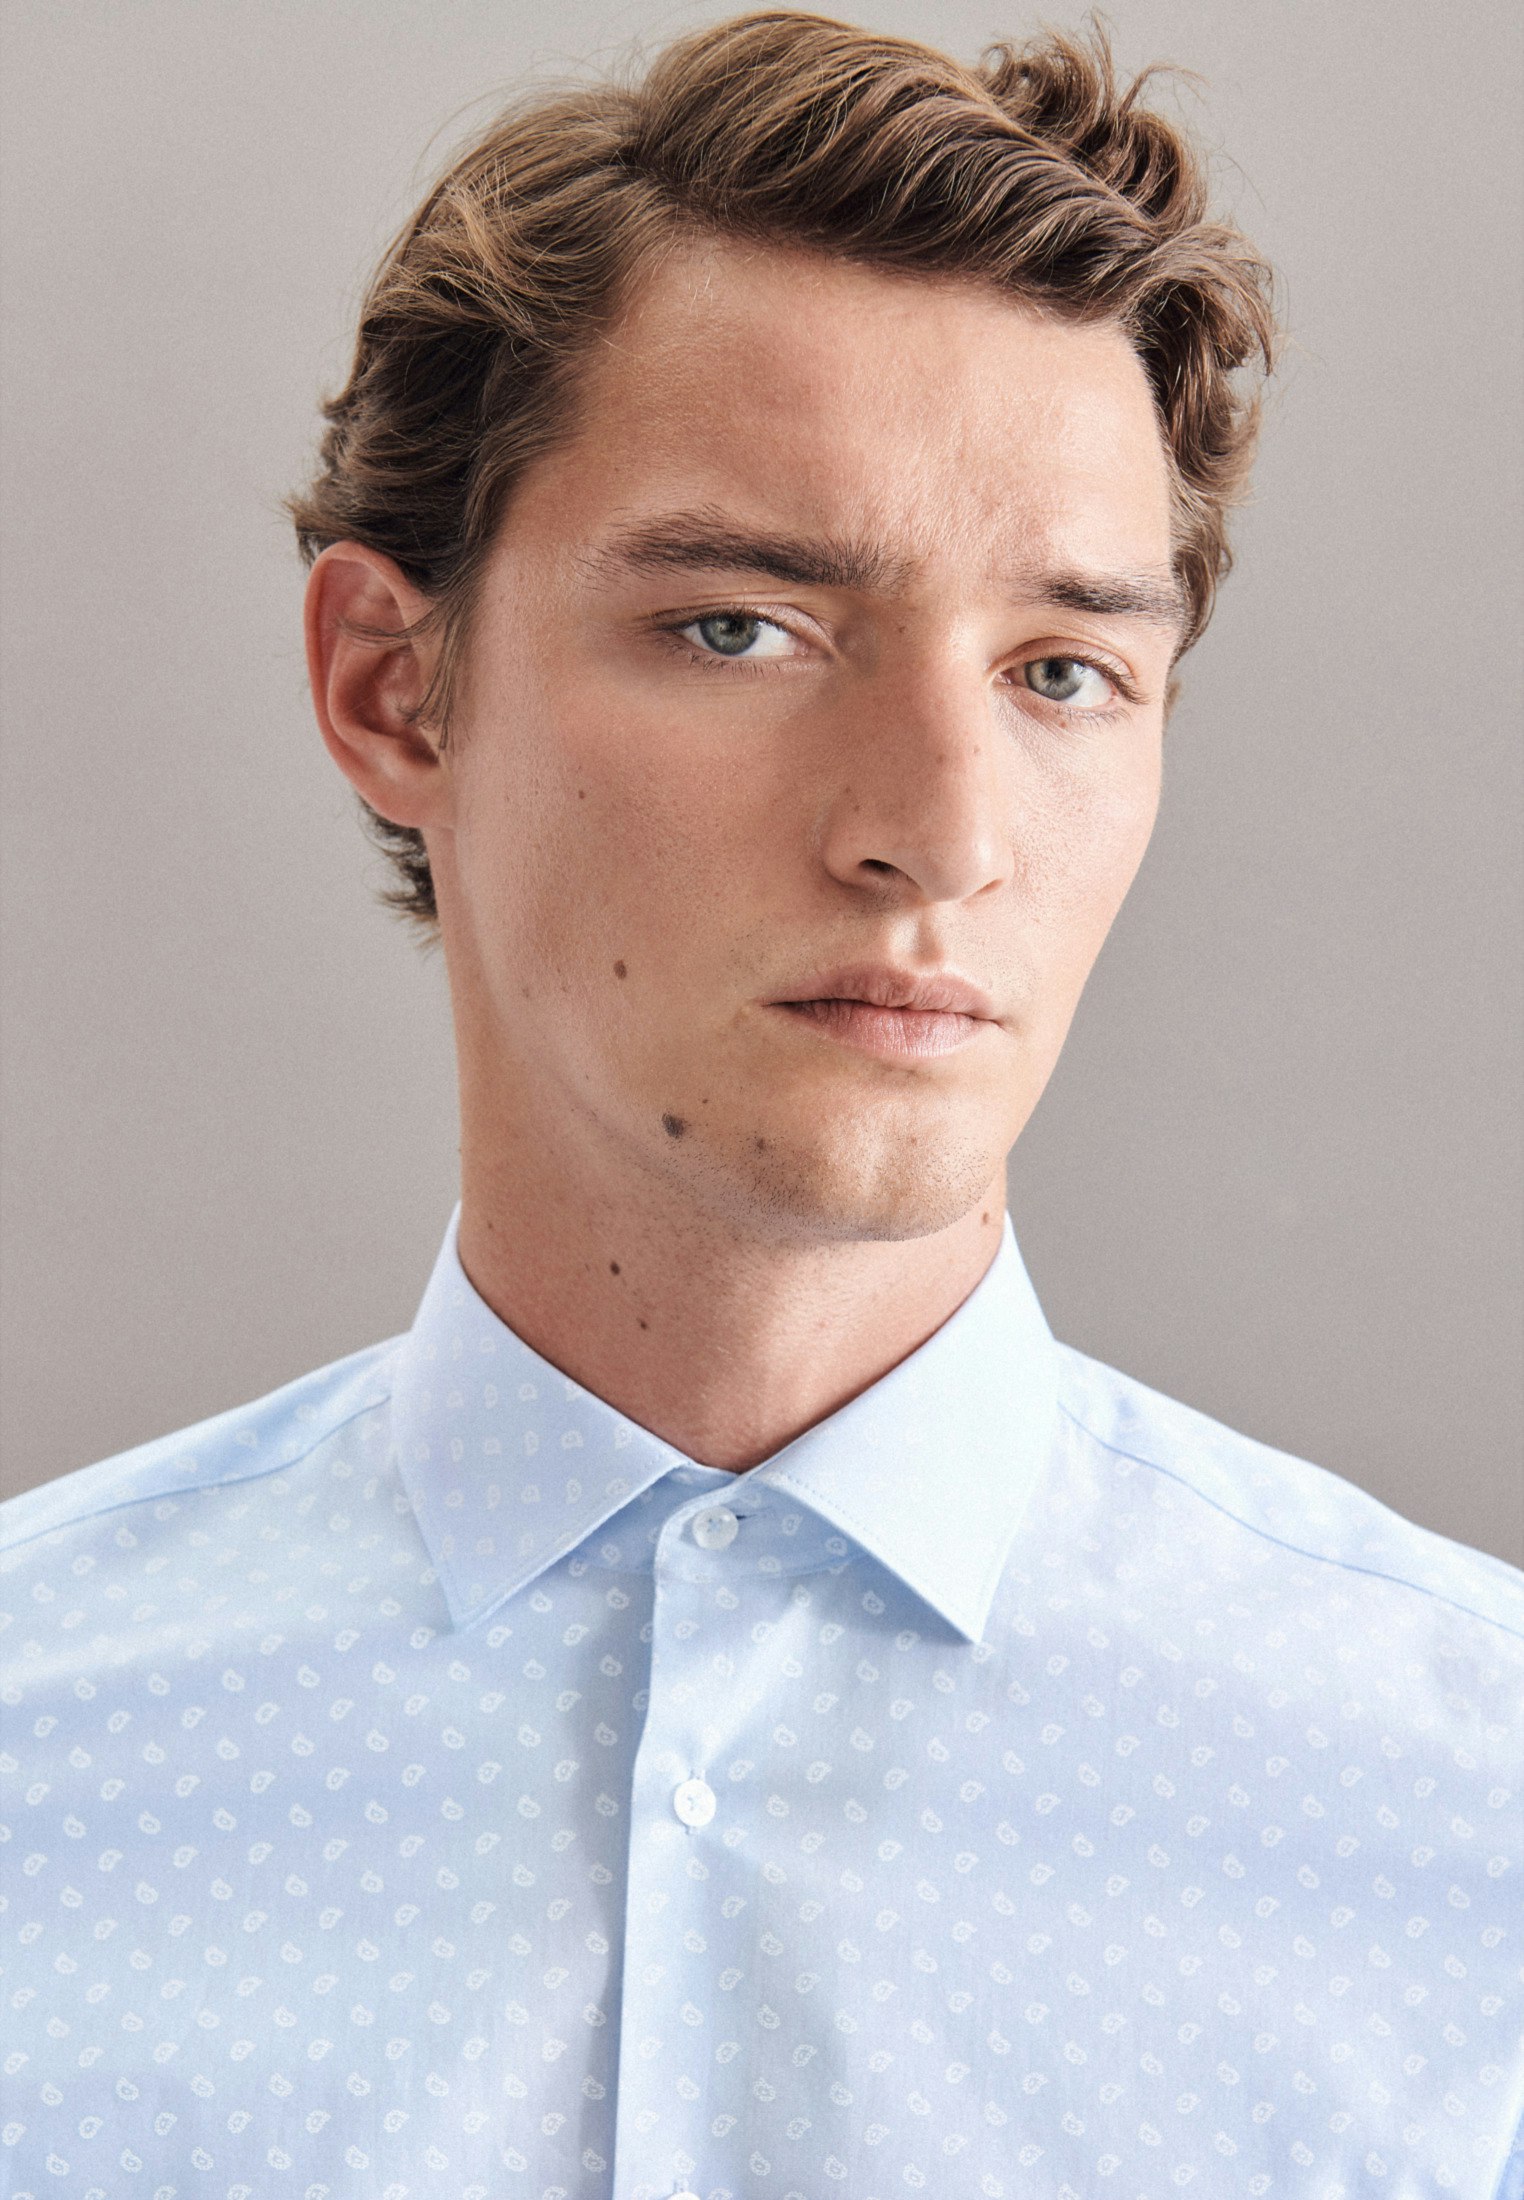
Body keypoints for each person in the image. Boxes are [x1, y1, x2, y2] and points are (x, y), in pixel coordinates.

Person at [3, 10, 1520, 2195]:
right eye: (742, 628)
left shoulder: (1474, 1830)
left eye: (1064, 670)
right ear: (393, 688)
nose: (940, 833)